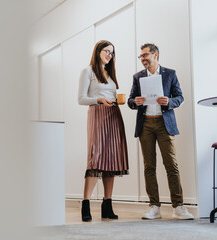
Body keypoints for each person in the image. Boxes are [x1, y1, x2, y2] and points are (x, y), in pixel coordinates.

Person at [127, 43, 194, 220]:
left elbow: (180, 97)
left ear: (155, 55)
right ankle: (154, 207)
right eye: (140, 56)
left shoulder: (170, 74)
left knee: (171, 165)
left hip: (165, 124)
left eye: (145, 55)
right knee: (149, 166)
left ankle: (178, 206)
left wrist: (169, 102)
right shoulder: (138, 77)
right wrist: (136, 102)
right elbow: (130, 101)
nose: (142, 59)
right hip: (146, 125)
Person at [78, 40, 129, 222]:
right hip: (97, 114)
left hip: (114, 115)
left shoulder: (111, 73)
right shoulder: (88, 71)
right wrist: (99, 100)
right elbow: (81, 99)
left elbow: (112, 95)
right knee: (95, 158)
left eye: (112, 53)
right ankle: (85, 204)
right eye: (107, 51)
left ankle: (107, 204)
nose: (109, 55)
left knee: (112, 159)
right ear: (98, 51)